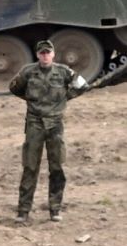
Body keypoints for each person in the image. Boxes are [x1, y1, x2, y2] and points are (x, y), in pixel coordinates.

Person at [9, 38, 89, 222]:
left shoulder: (63, 72)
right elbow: (14, 88)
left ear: (53, 54)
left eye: (48, 52)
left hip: (55, 124)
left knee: (57, 167)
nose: (45, 56)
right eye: (42, 53)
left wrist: (66, 97)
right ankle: (23, 211)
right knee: (30, 167)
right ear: (38, 55)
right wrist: (30, 100)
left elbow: (83, 85)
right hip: (34, 123)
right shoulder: (28, 71)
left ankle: (55, 209)